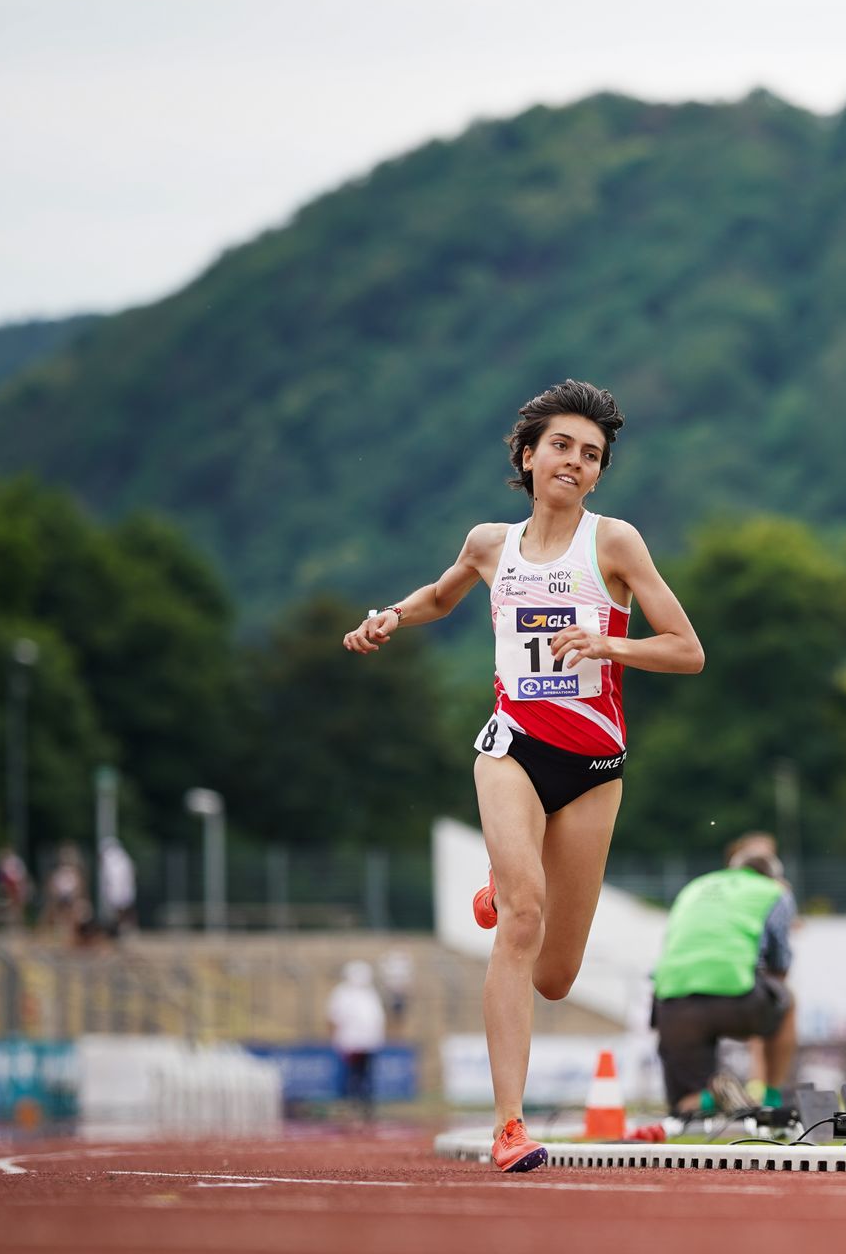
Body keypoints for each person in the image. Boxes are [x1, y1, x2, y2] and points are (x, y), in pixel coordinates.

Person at [342, 380, 703, 1173]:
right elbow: (441, 597)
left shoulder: (615, 545)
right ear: (529, 454)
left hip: (595, 767)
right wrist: (392, 617)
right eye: (564, 447)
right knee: (522, 917)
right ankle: (511, 1125)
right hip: (511, 749)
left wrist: (612, 645)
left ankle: (505, 884)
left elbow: (687, 649)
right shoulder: (488, 545)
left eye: (593, 455)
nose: (576, 463)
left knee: (555, 975)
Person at [650, 833, 796, 1116]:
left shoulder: (695, 887)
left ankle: (703, 1099)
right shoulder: (774, 892)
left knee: (686, 1104)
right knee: (788, 1001)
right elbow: (780, 961)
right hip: (736, 998)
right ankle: (772, 1096)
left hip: (672, 1002)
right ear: (773, 876)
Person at [326, 959, 387, 1122]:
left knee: (366, 1077)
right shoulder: (342, 993)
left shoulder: (370, 993)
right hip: (350, 1043)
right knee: (349, 1077)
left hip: (368, 1044)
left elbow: (376, 1020)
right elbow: (334, 1017)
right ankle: (347, 1107)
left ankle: (366, 1108)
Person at [98, 836, 137, 939]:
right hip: (123, 889)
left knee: (120, 911)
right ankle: (122, 929)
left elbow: (110, 877)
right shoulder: (123, 857)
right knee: (123, 910)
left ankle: (121, 929)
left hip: (117, 890)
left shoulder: (111, 859)